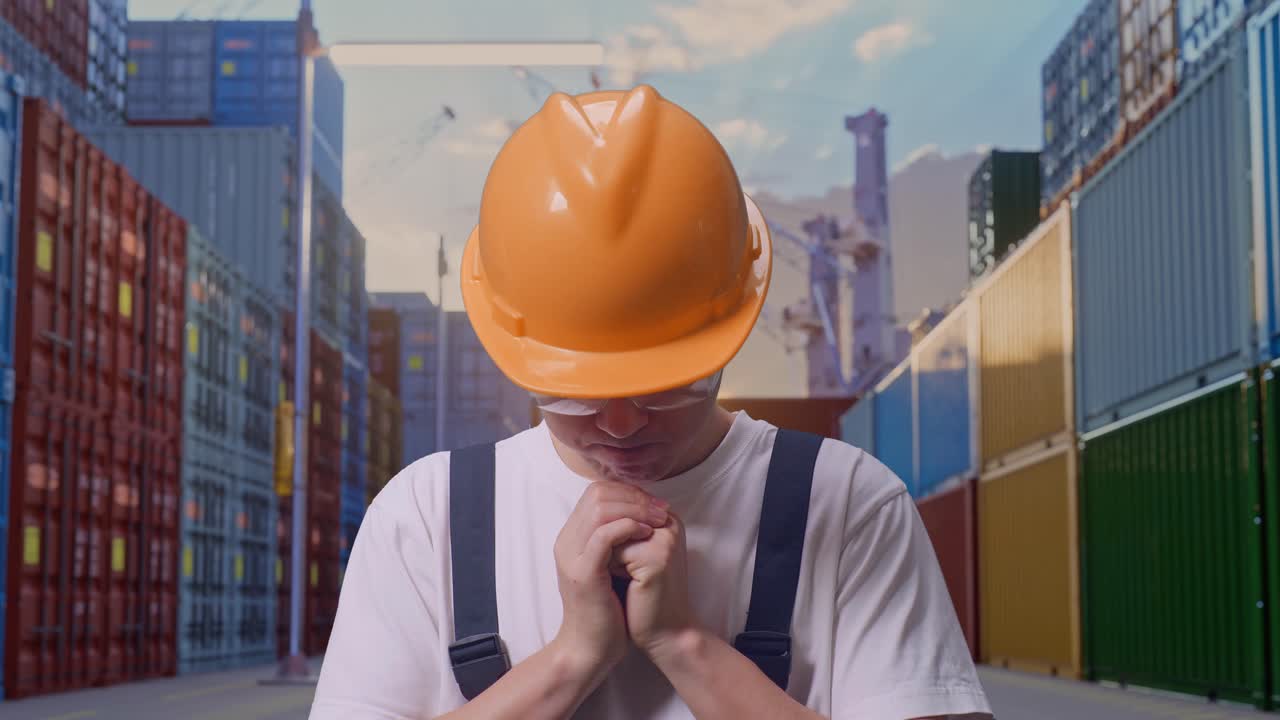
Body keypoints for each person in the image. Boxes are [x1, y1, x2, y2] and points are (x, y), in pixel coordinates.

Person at [309, 85, 993, 720]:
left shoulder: (846, 506)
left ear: (729, 337)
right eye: (573, 392)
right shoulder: (426, 518)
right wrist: (571, 659)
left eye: (667, 383)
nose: (620, 422)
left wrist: (685, 645)